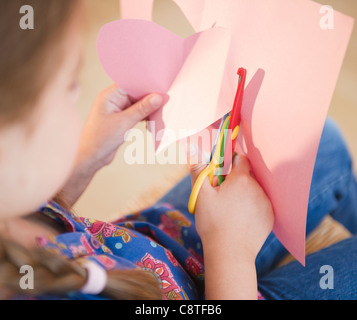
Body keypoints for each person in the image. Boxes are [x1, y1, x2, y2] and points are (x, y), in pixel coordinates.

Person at [0, 0, 356, 300]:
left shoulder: (10, 210)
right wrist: (230, 254)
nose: (79, 95)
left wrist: (83, 163)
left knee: (317, 141)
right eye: (69, 84)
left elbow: (39, 215)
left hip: (160, 247)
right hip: (224, 283)